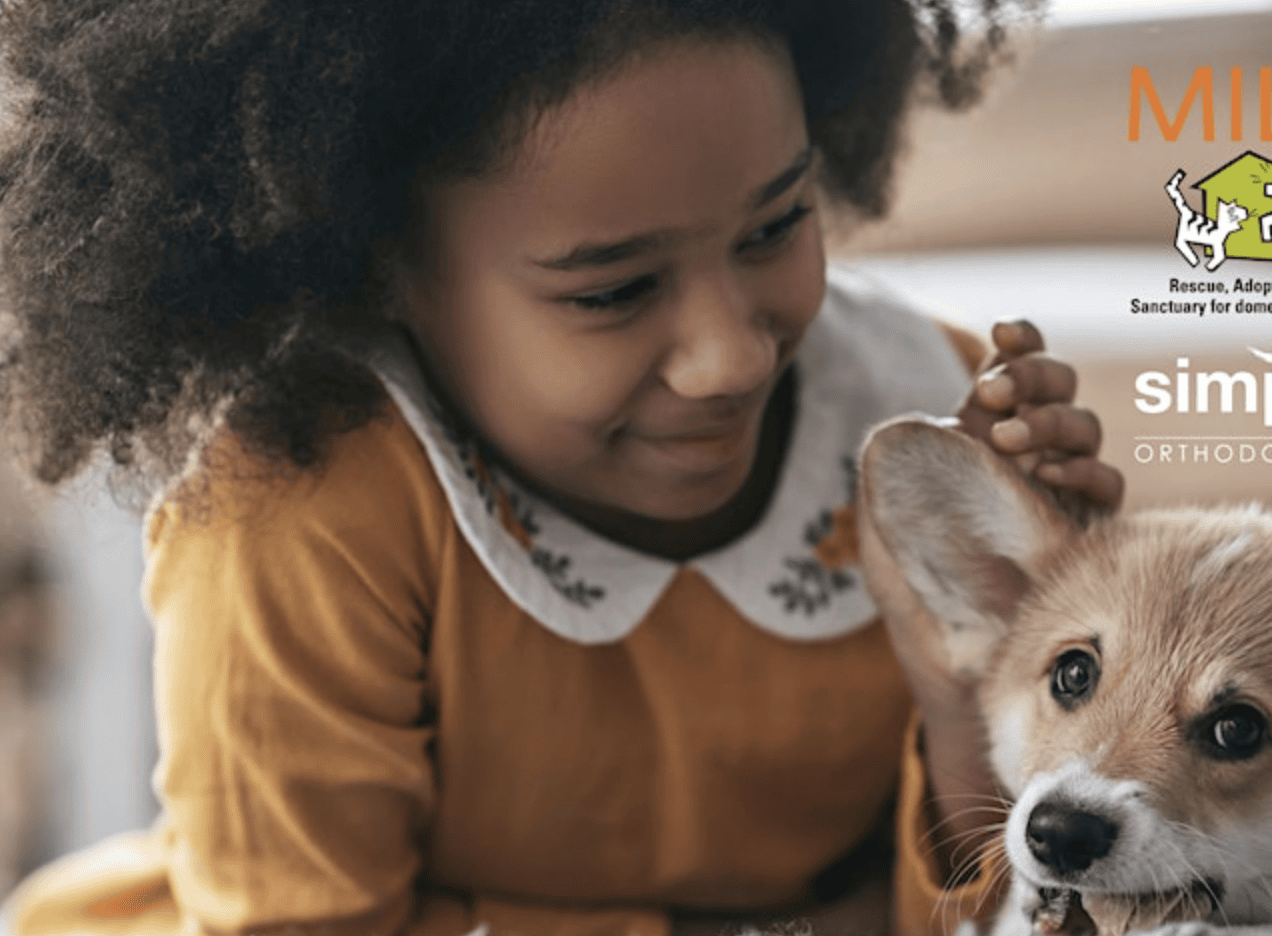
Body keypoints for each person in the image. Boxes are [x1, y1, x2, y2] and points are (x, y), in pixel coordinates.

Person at [0, 2, 1123, 933]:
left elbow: (1027, 903)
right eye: (611, 292)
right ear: (376, 271)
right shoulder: (299, 515)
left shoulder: (930, 412)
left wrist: (978, 671)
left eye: (775, 225)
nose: (731, 355)